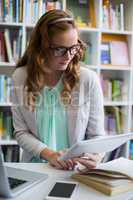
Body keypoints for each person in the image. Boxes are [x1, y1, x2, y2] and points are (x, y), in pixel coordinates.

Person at [11, 9, 105, 170]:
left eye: (74, 47)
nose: (69, 56)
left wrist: (96, 155)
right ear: (41, 46)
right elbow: (21, 132)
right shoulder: (20, 77)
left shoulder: (88, 79)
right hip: (34, 168)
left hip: (74, 170)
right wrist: (50, 155)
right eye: (60, 49)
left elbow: (97, 136)